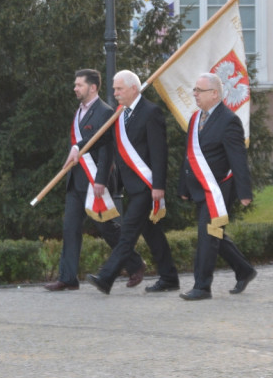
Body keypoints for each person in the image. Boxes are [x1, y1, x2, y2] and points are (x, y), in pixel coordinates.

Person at [43, 69, 146, 292]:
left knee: (107, 228)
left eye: (79, 84)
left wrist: (100, 180)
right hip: (76, 181)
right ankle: (68, 278)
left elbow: (108, 149)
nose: (75, 88)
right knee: (70, 228)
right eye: (75, 84)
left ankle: (135, 264)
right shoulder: (79, 112)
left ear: (92, 87)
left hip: (95, 182)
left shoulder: (105, 112)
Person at [86, 70, 180, 295]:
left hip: (146, 187)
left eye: (119, 88)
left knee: (127, 233)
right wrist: (78, 148)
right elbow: (103, 137)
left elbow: (159, 152)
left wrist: (158, 186)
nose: (115, 93)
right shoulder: (121, 114)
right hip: (133, 186)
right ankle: (169, 277)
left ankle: (106, 278)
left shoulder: (151, 112)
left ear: (133, 88)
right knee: (153, 234)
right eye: (115, 88)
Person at [177, 72, 258, 300]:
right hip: (199, 189)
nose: (194, 94)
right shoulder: (196, 119)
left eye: (199, 91)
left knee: (207, 235)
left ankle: (202, 287)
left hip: (220, 191)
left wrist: (244, 192)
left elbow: (238, 158)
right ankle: (244, 270)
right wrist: (183, 187)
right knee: (214, 235)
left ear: (214, 94)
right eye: (194, 90)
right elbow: (188, 156)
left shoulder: (228, 120)